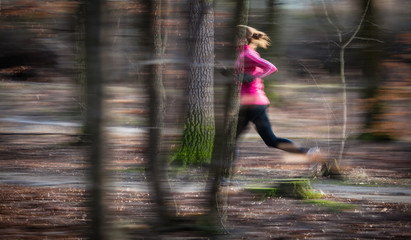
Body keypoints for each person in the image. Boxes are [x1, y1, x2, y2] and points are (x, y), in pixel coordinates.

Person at [234, 25, 320, 157]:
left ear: (242, 39)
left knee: (231, 138)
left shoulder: (247, 54)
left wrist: (253, 77)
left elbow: (271, 67)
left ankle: (222, 172)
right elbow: (242, 75)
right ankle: (309, 153)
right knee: (270, 140)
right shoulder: (243, 54)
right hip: (252, 102)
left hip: (252, 102)